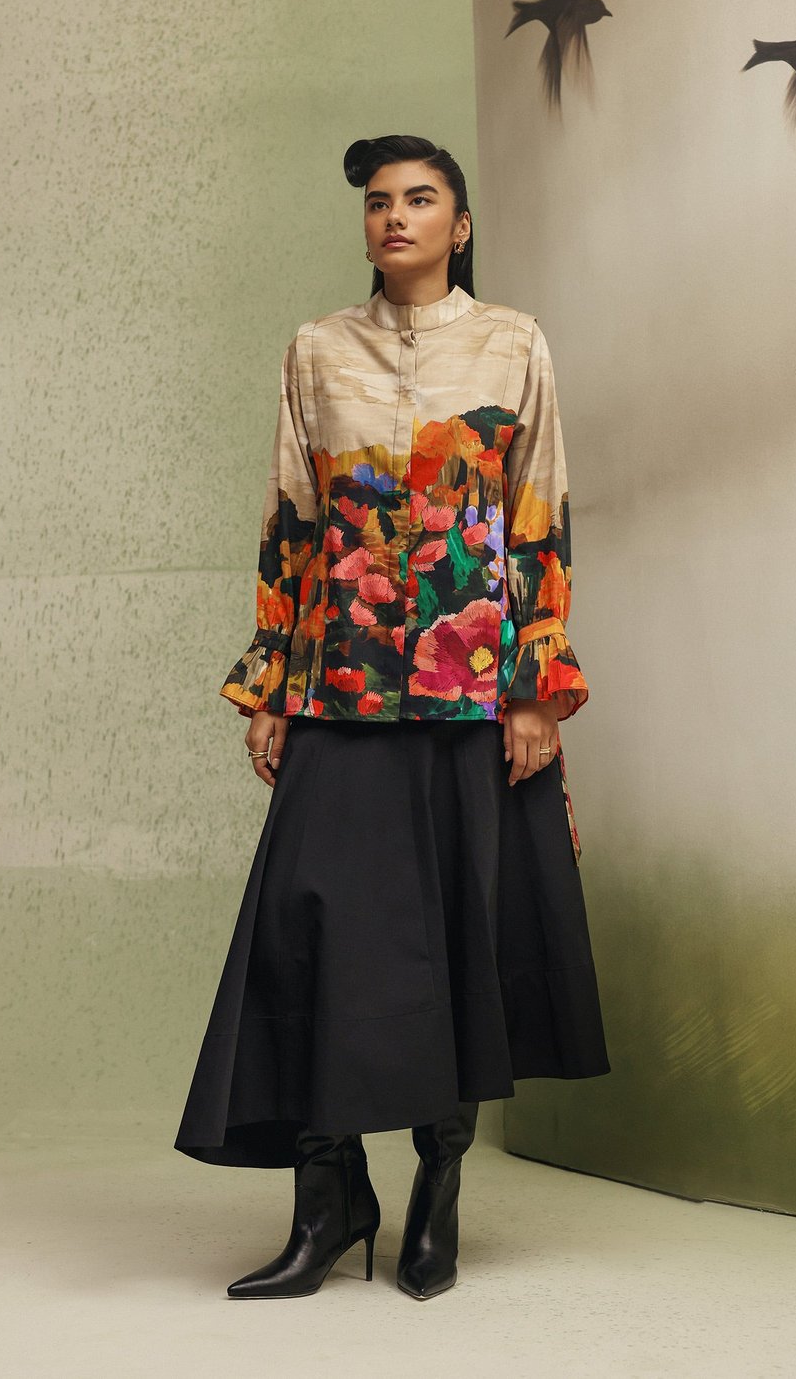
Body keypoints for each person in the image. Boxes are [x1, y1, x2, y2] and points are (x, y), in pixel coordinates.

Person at [173, 134, 610, 1301]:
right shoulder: (316, 348)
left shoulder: (513, 342)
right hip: (341, 679)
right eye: (378, 201)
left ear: (460, 225)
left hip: (475, 687)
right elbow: (292, 519)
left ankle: (439, 1189)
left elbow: (538, 516)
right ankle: (329, 1200)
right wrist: (272, 680)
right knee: (311, 928)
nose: (396, 216)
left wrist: (536, 686)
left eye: (420, 199)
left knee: (457, 932)